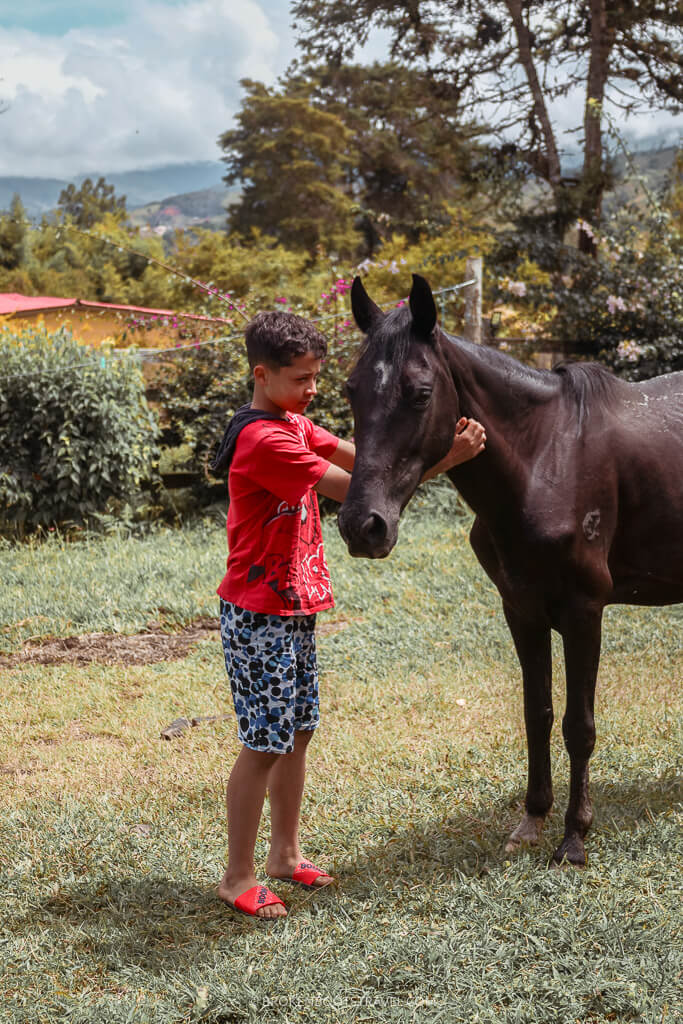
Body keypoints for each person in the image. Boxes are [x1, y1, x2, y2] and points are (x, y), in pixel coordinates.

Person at [211, 310, 486, 919]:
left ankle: (285, 855)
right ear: (261, 375)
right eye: (300, 379)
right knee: (263, 744)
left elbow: (365, 458)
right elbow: (354, 486)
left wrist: (427, 449)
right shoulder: (265, 441)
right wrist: (447, 461)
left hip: (293, 607)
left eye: (316, 377)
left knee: (298, 732)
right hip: (259, 615)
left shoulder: (293, 422)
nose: (312, 389)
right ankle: (238, 876)